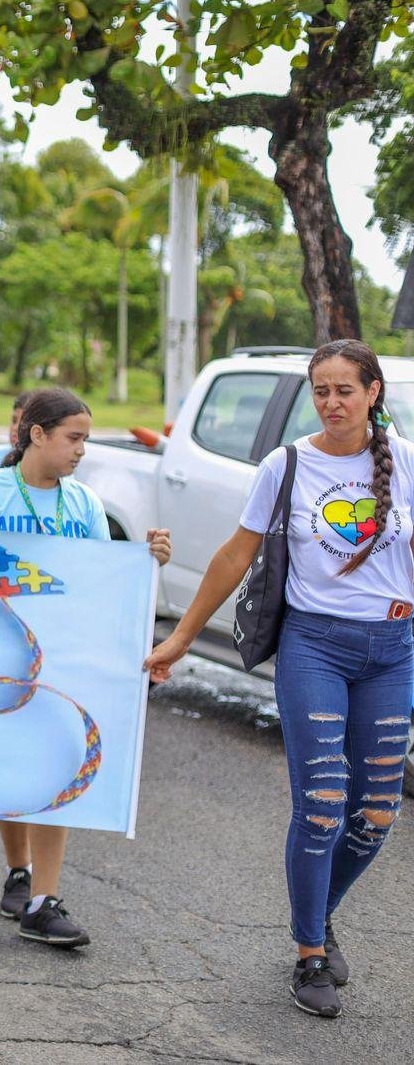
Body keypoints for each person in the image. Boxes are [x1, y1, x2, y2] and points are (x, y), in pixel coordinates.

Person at [145, 340, 411, 1019]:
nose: (331, 402)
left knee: (378, 814)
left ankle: (320, 915)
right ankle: (309, 954)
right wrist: (178, 636)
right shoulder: (286, 464)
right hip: (314, 648)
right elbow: (237, 554)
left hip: (392, 649)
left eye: (344, 389)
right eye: (320, 390)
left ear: (373, 392)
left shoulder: (406, 462)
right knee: (324, 802)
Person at [0, 389, 171, 951]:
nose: (82, 450)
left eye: (84, 439)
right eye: (74, 438)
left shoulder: (84, 504)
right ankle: (19, 871)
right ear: (37, 434)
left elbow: (106, 580)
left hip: (66, 656)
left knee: (57, 766)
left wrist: (145, 561)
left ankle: (43, 901)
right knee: (11, 763)